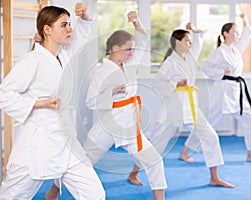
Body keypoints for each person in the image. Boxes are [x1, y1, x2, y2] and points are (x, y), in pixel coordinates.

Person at [46, 11, 167, 200]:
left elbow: (143, 40)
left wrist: (136, 21)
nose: (132, 53)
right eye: (128, 49)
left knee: (155, 160)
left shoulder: (129, 63)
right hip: (106, 125)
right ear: (115, 48)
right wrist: (112, 92)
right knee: (81, 162)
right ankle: (52, 192)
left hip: (129, 125)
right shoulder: (102, 71)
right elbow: (90, 100)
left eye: (132, 50)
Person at [0, 3, 105, 200]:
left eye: (69, 23)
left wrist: (85, 16)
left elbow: (81, 35)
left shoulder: (63, 54)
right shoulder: (32, 61)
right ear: (47, 29)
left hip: (66, 142)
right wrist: (40, 103)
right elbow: (3, 95)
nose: (69, 28)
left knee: (95, 194)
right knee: (12, 197)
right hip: (37, 144)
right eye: (64, 25)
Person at [128, 23, 234, 188]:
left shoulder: (190, 58)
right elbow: (158, 83)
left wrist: (196, 32)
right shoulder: (170, 62)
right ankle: (133, 173)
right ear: (178, 42)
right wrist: (175, 84)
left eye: (191, 41)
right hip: (173, 108)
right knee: (157, 144)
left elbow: (198, 44)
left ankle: (214, 177)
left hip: (191, 107)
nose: (190, 44)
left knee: (211, 136)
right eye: (188, 41)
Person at [202, 13, 251, 164]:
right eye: (234, 32)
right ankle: (187, 149)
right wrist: (221, 72)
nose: (237, 34)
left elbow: (246, 35)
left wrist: (245, 19)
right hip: (222, 91)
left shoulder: (236, 49)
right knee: (211, 123)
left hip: (237, 90)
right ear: (226, 33)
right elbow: (206, 67)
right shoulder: (219, 51)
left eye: (237, 32)